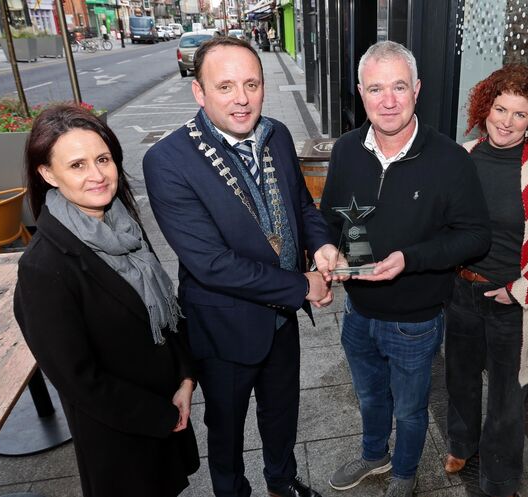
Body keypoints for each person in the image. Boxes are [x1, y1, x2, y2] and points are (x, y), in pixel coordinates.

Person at [142, 37, 337, 497]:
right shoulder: (167, 161)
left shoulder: (279, 134)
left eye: (252, 83)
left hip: (280, 320)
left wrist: (323, 244)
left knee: (281, 411)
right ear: (199, 92)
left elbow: (303, 207)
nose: (242, 98)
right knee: (226, 426)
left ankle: (282, 481)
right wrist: (302, 285)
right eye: (225, 86)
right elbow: (211, 264)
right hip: (224, 325)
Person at [319, 41, 491, 497]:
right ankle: (375, 456)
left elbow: (475, 237)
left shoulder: (450, 158)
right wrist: (324, 248)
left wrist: (410, 259)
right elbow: (330, 219)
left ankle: (404, 473)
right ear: (361, 92)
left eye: (399, 86)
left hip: (414, 320)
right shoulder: (346, 150)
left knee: (411, 410)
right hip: (357, 313)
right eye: (376, 88)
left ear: (417, 89)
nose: (388, 100)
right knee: (371, 398)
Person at [14, 104, 200, 497]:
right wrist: (161, 414)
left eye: (103, 159)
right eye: (77, 165)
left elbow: (166, 315)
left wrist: (185, 376)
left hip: (167, 411)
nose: (97, 175)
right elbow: (78, 379)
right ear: (48, 174)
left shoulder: (123, 228)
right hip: (120, 440)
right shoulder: (43, 268)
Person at [442, 64, 528, 497]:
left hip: (513, 302)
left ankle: (500, 477)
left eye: (519, 114)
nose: (506, 121)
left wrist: (520, 290)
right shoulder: (460, 158)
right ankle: (462, 444)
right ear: (485, 106)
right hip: (462, 291)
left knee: (507, 395)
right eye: (500, 108)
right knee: (459, 376)